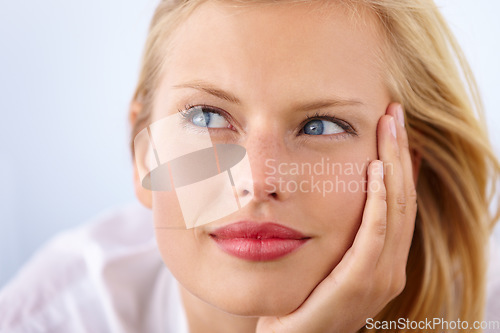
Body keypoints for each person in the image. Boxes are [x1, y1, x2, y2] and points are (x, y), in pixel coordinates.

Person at [1, 0, 499, 332]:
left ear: (404, 166)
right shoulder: (51, 317)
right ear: (143, 152)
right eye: (208, 116)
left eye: (320, 125)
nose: (258, 182)